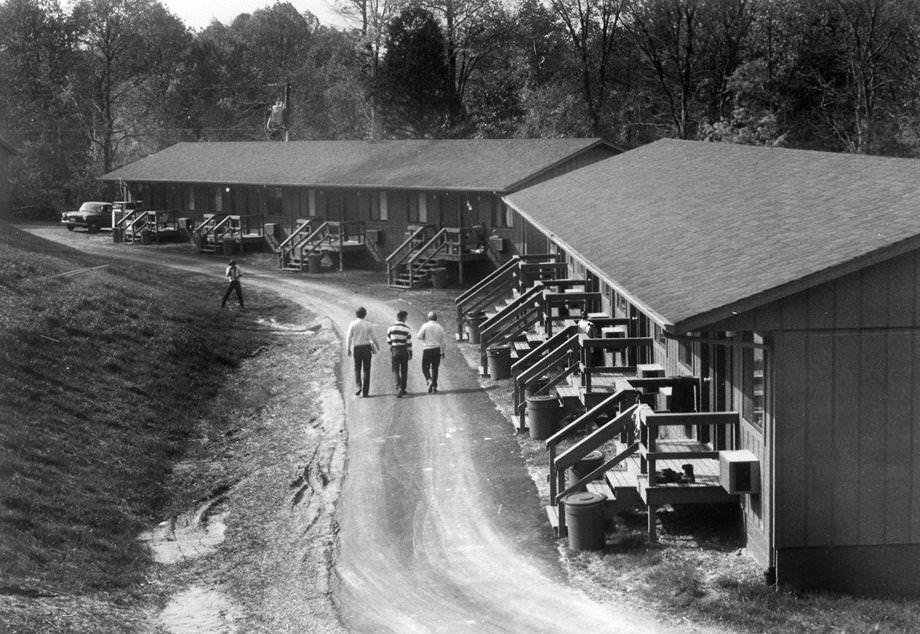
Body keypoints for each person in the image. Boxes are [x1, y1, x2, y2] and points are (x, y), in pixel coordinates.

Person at [345, 306, 379, 397]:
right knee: (366, 370)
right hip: (366, 348)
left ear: (356, 314)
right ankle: (365, 392)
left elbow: (349, 337)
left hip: (357, 348)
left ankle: (358, 386)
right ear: (365, 315)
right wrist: (377, 345)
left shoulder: (352, 324)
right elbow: (373, 337)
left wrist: (348, 348)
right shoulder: (368, 324)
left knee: (357, 368)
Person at [416, 311, 447, 393]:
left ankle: (428, 379)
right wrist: (443, 352)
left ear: (428, 318)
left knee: (424, 367)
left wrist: (424, 338)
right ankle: (434, 386)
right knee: (435, 368)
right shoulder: (440, 327)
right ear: (436, 318)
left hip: (427, 348)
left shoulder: (425, 326)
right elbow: (443, 342)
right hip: (437, 349)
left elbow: (418, 336)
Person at [386, 310, 412, 397]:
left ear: (397, 317)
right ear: (404, 318)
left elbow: (388, 340)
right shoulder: (407, 329)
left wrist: (393, 345)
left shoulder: (390, 328)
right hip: (404, 350)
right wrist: (410, 353)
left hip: (395, 349)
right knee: (404, 370)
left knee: (395, 369)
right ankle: (403, 388)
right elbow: (409, 343)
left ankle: (398, 385)